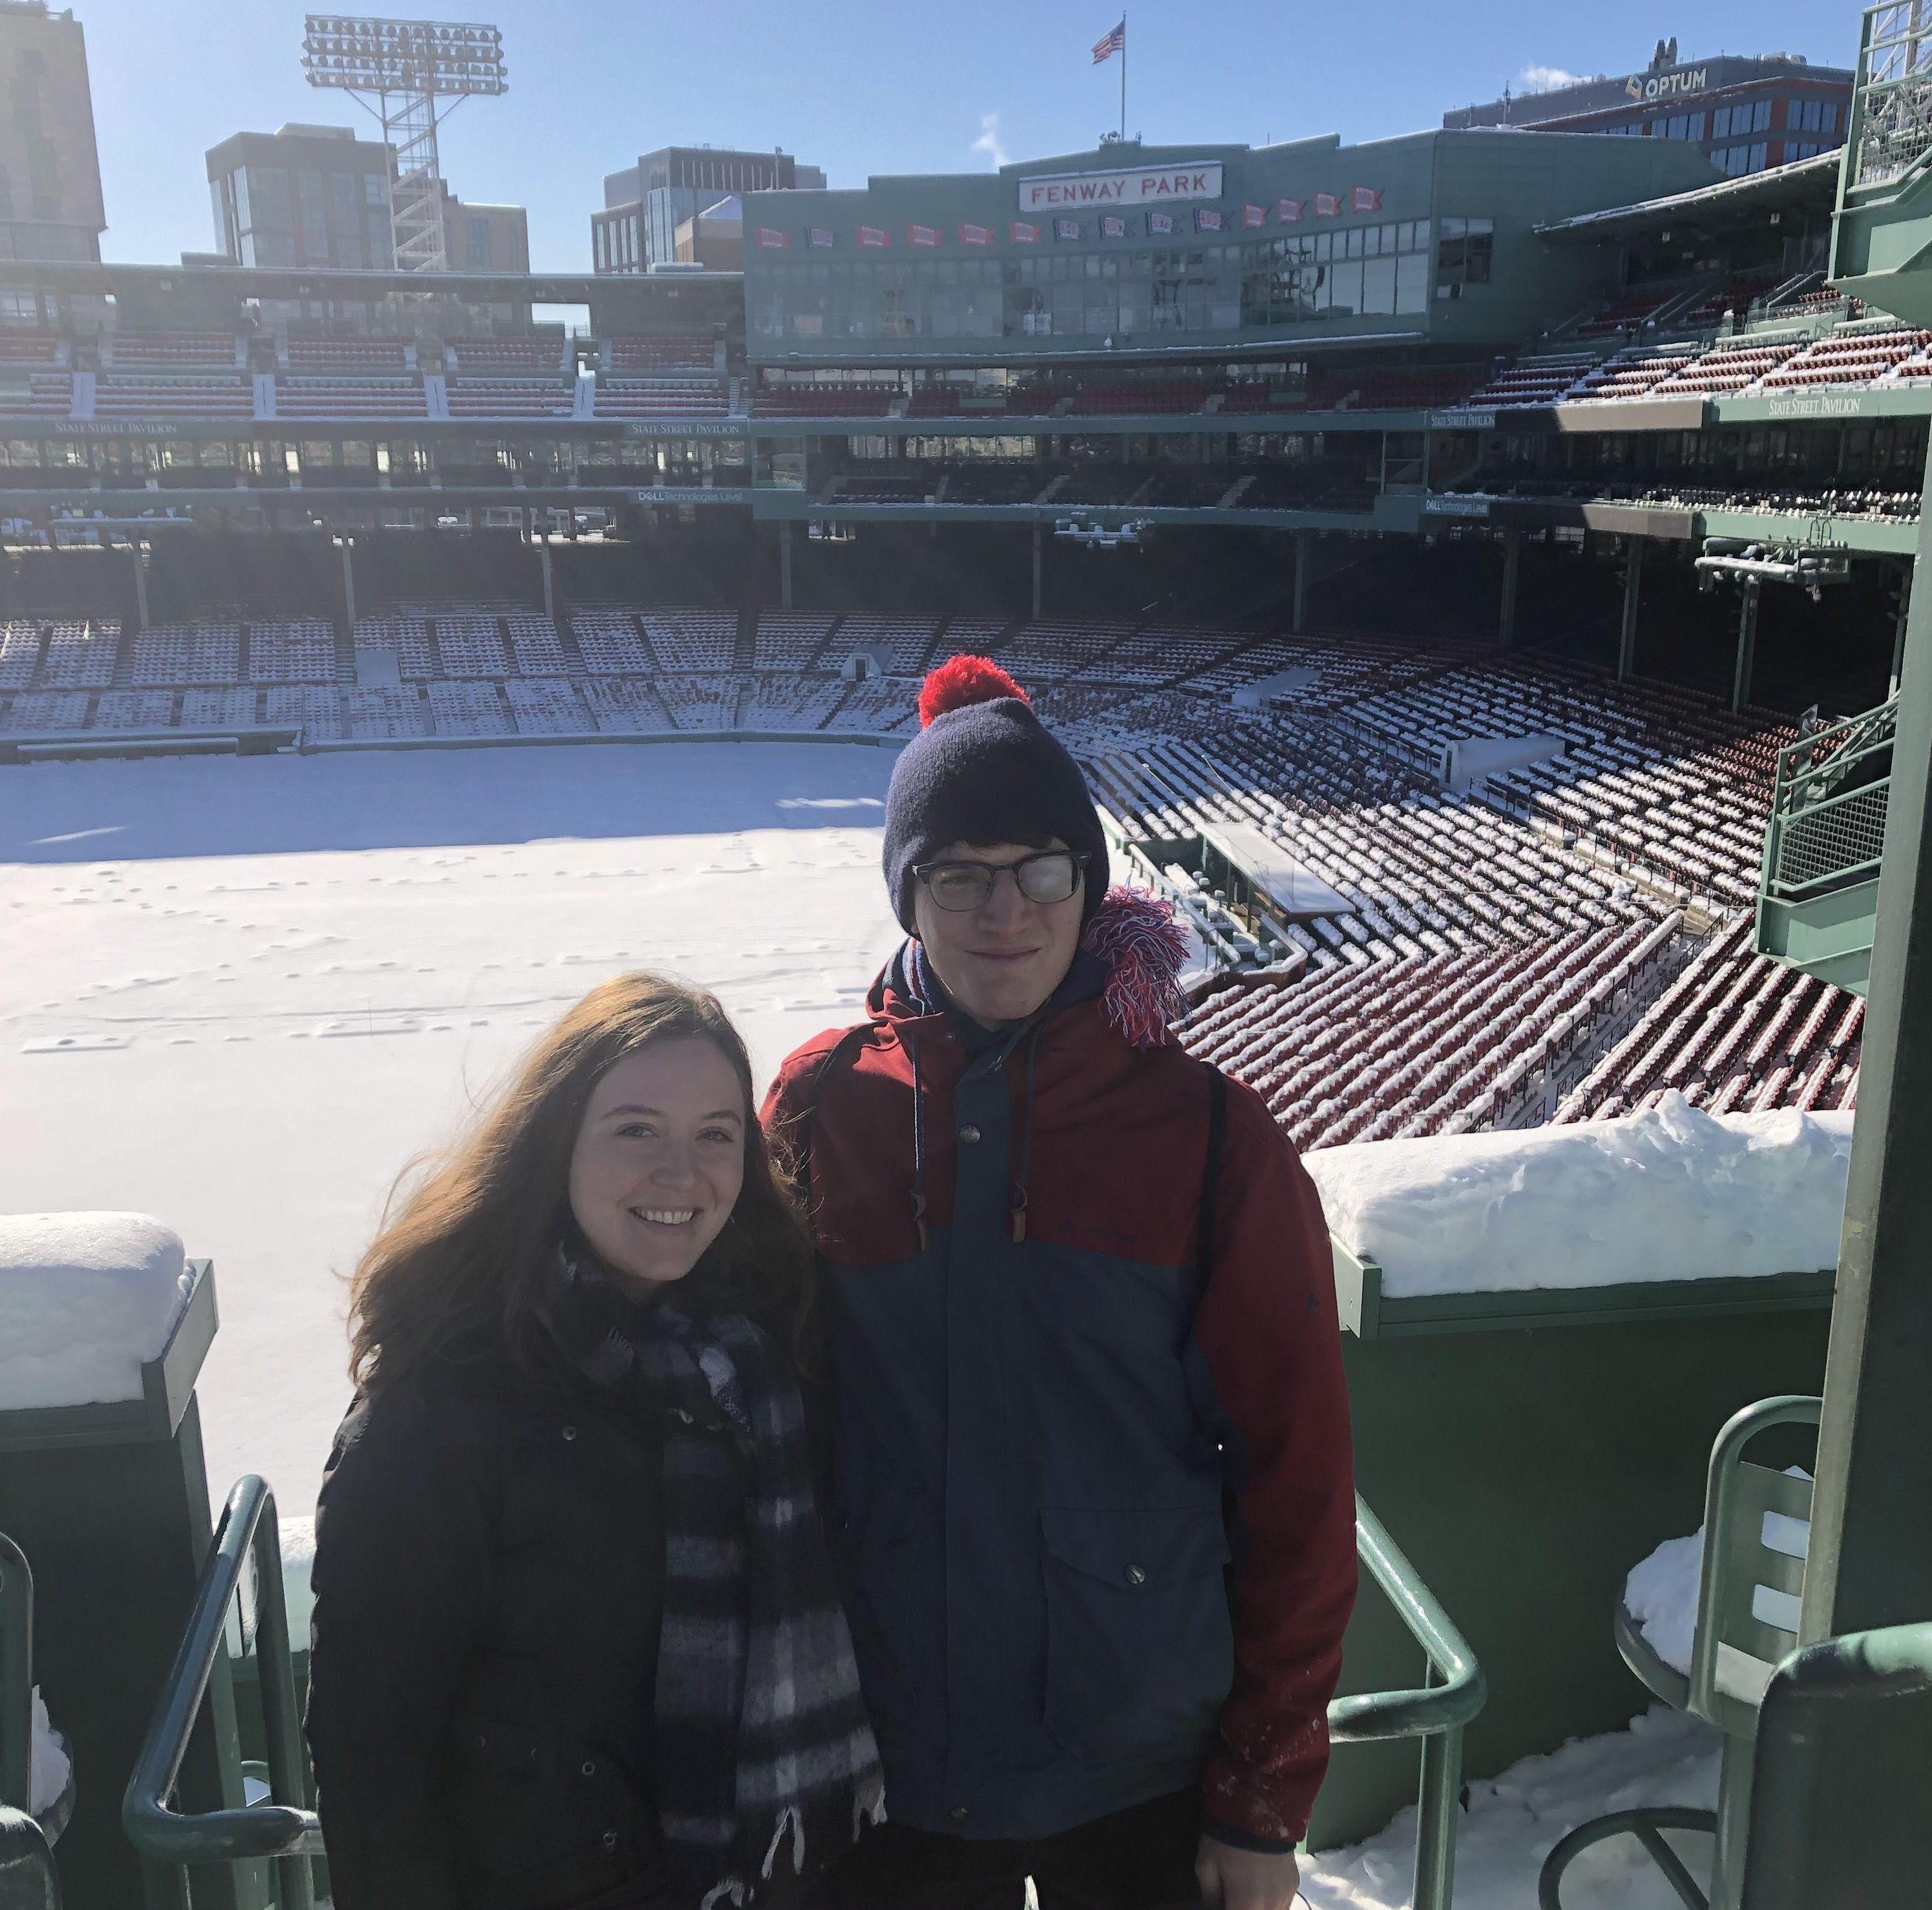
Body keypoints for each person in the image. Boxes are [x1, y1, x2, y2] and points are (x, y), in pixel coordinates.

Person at [765, 657, 1357, 1910]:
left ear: (1090, 886)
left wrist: (1261, 1797)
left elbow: (1297, 1477)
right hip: (882, 1768)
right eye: (958, 873)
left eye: (1040, 867)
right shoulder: (822, 1110)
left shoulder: (1209, 1134)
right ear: (905, 894)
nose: (1005, 910)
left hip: (1141, 1771)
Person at [306, 974, 883, 1910]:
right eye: (635, 1129)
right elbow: (372, 1749)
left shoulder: (767, 1366)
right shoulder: (447, 1401)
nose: (680, 1173)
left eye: (714, 1134)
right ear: (553, 1142)